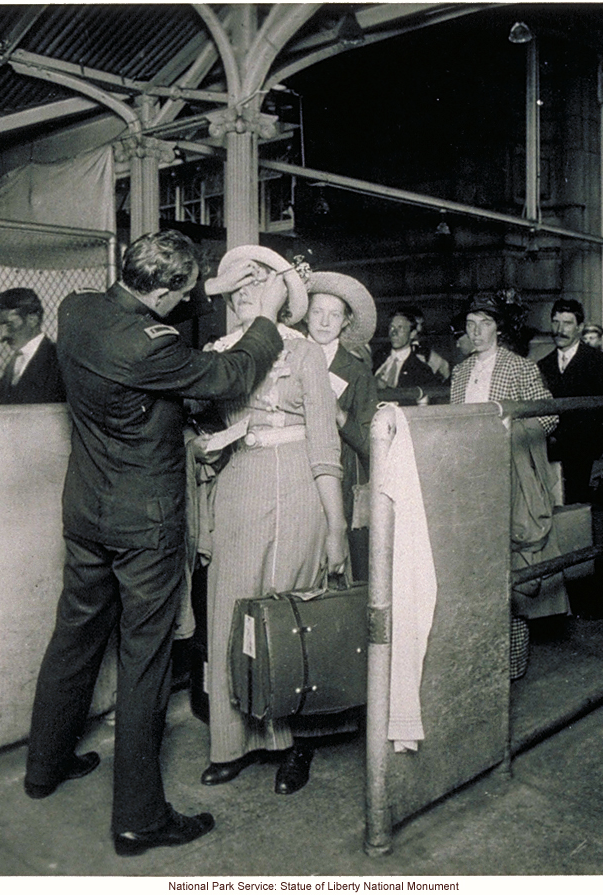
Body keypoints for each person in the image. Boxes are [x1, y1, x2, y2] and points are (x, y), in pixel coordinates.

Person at [23, 230, 285, 857]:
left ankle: (45, 767)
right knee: (144, 663)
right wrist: (266, 318)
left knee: (75, 636)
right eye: (187, 293)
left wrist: (213, 290)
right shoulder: (151, 350)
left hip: (87, 512)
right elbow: (229, 373)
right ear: (165, 292)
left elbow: (148, 309)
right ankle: (140, 819)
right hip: (144, 523)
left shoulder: (78, 308)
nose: (193, 300)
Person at [196, 245, 350, 797]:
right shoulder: (217, 353)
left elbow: (325, 445)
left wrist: (335, 528)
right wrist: (203, 445)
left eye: (254, 289)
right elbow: (201, 427)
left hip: (298, 493)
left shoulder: (305, 354)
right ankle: (231, 744)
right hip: (238, 489)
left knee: (290, 616)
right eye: (234, 291)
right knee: (231, 610)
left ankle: (294, 744)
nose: (243, 298)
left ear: (278, 297)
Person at [451, 292, 560, 679]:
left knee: (510, 568)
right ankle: (481, 655)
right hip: (470, 478)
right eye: (470, 324)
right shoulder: (461, 372)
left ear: (499, 327)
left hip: (507, 478)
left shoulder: (519, 368)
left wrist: (511, 426)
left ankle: (512, 662)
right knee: (474, 566)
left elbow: (549, 417)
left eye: (485, 323)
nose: (476, 331)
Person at [304, 270, 379, 580]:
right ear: (304, 314)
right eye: (318, 312)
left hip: (339, 486)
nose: (324, 321)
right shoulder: (286, 356)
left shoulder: (357, 372)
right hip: (293, 479)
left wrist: (339, 416)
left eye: (334, 315)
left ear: (346, 321)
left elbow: (372, 445)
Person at [536, 298, 603, 504]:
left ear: (580, 327)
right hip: (549, 460)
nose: (559, 329)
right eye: (555, 322)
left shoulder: (602, 364)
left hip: (588, 463)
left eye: (567, 323)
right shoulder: (541, 366)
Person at [0, 287, 65, 404]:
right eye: (0, 325)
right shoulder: (15, 362)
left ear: (32, 319)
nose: (3, 334)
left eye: (9, 324)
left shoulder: (59, 361)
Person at [373, 306, 440, 390]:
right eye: (392, 327)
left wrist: (385, 389)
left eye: (400, 328)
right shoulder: (377, 358)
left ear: (412, 334)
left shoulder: (421, 370)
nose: (394, 333)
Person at [406, 305, 451, 381]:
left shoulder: (423, 351)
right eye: (416, 324)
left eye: (421, 324)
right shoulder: (389, 351)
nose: (419, 329)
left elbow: (444, 366)